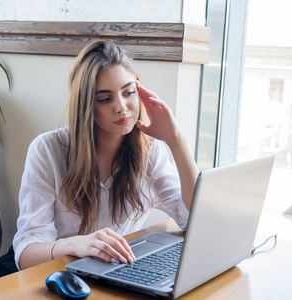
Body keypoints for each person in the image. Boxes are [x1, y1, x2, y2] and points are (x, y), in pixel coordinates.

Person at [13, 40, 199, 270]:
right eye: (105, 99)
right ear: (87, 105)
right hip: (61, 273)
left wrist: (176, 141)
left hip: (118, 274)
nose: (121, 107)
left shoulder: (150, 151)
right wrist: (74, 245)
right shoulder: (48, 150)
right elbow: (25, 255)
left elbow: (194, 220)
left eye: (129, 92)